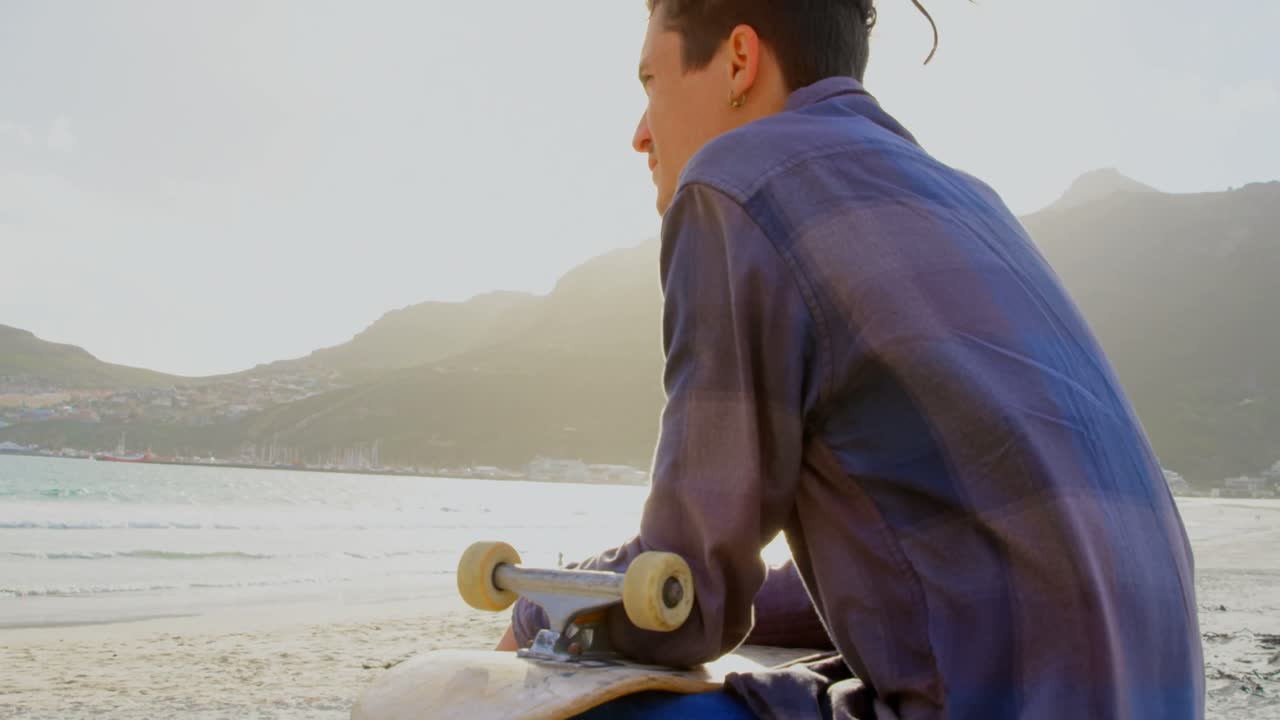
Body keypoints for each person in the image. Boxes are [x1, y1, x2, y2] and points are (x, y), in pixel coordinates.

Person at [499, 1, 1205, 717]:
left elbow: (685, 598)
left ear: (739, 61)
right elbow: (946, 560)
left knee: (540, 705)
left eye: (651, 82)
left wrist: (539, 610)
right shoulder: (969, 200)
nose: (640, 133)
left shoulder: (734, 182)